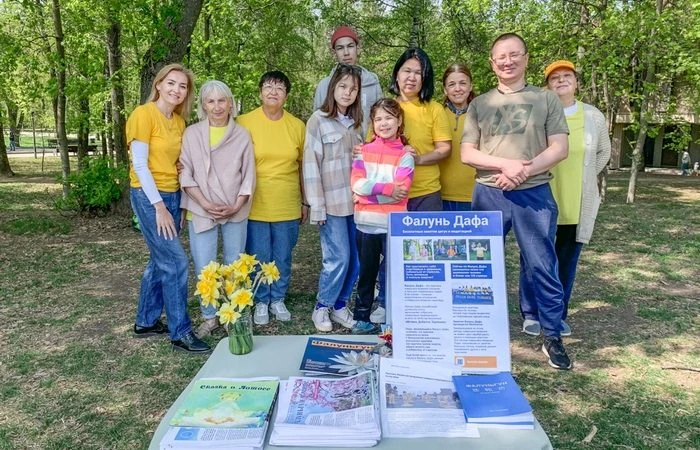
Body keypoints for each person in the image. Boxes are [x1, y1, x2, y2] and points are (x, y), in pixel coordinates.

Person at [460, 33, 572, 370]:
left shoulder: (546, 99)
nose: (507, 62)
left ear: (525, 58)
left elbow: (559, 148)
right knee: (477, 267)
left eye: (514, 55)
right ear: (492, 63)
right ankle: (474, 329)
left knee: (542, 265)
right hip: (488, 193)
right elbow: (468, 152)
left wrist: (522, 171)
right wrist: (504, 166)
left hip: (533, 193)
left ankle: (552, 334)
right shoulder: (480, 103)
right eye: (500, 57)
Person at [519, 60, 611, 337]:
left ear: (577, 82)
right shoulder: (539, 112)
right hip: (541, 198)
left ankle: (557, 314)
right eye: (554, 78)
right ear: (547, 86)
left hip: (576, 201)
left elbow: (603, 153)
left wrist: (584, 179)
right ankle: (531, 312)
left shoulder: (592, 116)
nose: (561, 81)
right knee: (534, 259)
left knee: (566, 261)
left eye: (566, 76)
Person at [126, 63, 210, 353]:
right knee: (175, 262)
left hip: (172, 194)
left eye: (183, 86)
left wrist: (178, 202)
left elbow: (177, 161)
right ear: (159, 84)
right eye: (171, 83)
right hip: (150, 196)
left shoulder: (178, 121)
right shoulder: (143, 114)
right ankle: (180, 332)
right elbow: (139, 164)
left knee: (159, 260)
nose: (177, 90)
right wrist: (159, 206)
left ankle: (146, 321)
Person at [179, 80, 256, 338]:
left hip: (235, 208)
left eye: (221, 100)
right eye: (210, 101)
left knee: (235, 264)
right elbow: (185, 173)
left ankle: (233, 313)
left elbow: (249, 174)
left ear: (230, 103)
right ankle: (210, 317)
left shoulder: (242, 134)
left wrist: (236, 204)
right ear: (203, 105)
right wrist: (204, 202)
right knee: (205, 265)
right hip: (201, 208)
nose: (216, 106)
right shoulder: (192, 134)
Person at [237, 71, 306, 325]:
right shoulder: (244, 122)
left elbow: (302, 166)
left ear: (286, 95)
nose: (273, 91)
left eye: (279, 88)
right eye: (268, 86)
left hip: (287, 201)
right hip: (254, 202)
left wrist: (305, 201)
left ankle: (277, 298)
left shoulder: (297, 126)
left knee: (282, 256)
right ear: (260, 92)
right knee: (258, 254)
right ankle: (261, 301)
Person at [304, 65, 364, 332]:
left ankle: (340, 306)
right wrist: (317, 205)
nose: (347, 93)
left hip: (359, 204)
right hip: (331, 204)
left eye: (353, 89)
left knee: (357, 259)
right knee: (338, 257)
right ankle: (322, 306)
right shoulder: (318, 120)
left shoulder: (359, 123)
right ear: (332, 88)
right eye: (343, 87)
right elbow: (310, 164)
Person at [351, 98, 414, 334]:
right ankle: (362, 317)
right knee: (366, 273)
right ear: (372, 123)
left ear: (399, 122)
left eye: (389, 118)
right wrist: (386, 189)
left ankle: (393, 316)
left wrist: (370, 192)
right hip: (365, 225)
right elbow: (357, 184)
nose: (383, 123)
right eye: (378, 119)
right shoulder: (363, 151)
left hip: (393, 226)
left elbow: (403, 189)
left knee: (393, 275)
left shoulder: (405, 155)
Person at [389, 47, 451, 212]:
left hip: (426, 194)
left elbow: (444, 149)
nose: (411, 77)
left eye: (418, 72)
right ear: (397, 75)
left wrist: (419, 159)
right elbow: (371, 145)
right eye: (407, 71)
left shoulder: (434, 109)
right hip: (390, 193)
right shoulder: (385, 108)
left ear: (425, 78)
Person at [313, 25, 382, 136]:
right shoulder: (325, 85)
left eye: (350, 46)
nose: (346, 53)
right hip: (334, 150)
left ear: (357, 48)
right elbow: (317, 124)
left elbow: (380, 118)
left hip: (367, 149)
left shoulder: (372, 82)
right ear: (334, 52)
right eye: (340, 48)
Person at [439, 64, 477, 211]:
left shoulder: (482, 114)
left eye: (462, 83)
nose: (457, 89)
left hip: (475, 195)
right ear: (445, 89)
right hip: (441, 196)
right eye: (451, 84)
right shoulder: (437, 115)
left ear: (470, 86)